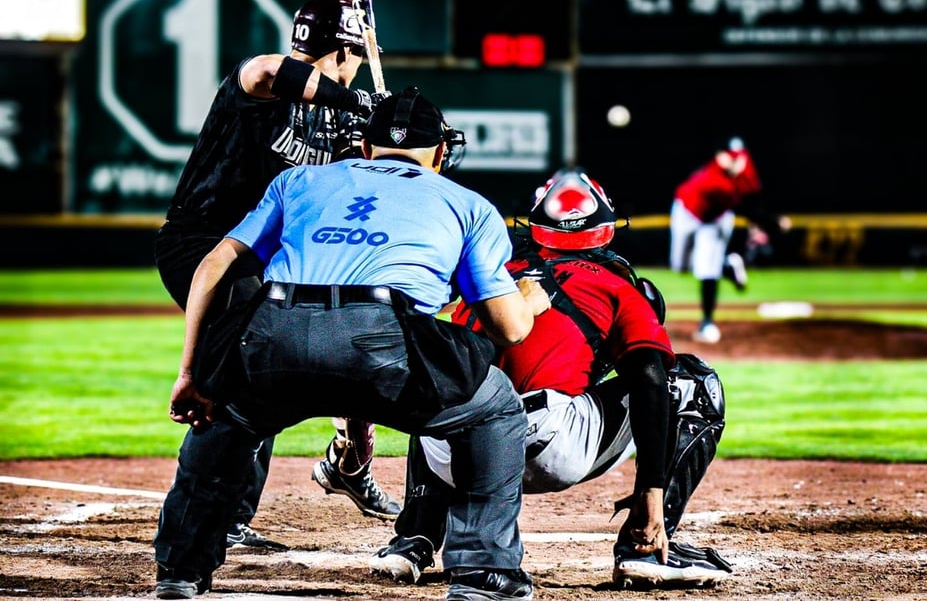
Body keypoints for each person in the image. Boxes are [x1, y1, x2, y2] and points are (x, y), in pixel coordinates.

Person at [152, 86, 551, 601]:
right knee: (492, 410)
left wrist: (193, 374)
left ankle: (180, 570)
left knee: (225, 415)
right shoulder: (468, 204)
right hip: (383, 345)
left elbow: (213, 266)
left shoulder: (297, 180)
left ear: (364, 148)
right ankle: (482, 572)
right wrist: (527, 299)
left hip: (277, 331)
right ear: (440, 153)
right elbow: (509, 329)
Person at [368, 167, 732, 590]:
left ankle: (412, 541)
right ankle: (644, 545)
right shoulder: (616, 284)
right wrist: (649, 491)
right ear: (605, 228)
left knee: (449, 388)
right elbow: (650, 378)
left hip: (456, 456)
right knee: (692, 381)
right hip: (546, 444)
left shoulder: (494, 276)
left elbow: (448, 366)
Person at [152, 0, 399, 553]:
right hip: (202, 246)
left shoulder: (337, 125)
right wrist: (358, 99)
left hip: (266, 261)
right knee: (245, 363)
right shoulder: (262, 87)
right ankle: (223, 517)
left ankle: (350, 454)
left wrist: (381, 137)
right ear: (346, 50)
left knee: (340, 324)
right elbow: (266, 69)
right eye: (360, 54)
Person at [668, 136, 791, 344]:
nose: (736, 162)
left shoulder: (745, 169)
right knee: (681, 266)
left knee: (707, 270)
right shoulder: (713, 180)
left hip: (717, 219)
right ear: (719, 157)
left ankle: (707, 323)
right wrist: (773, 223)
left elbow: (753, 198)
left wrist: (761, 225)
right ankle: (727, 266)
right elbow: (743, 208)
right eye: (731, 157)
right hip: (688, 213)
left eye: (739, 157)